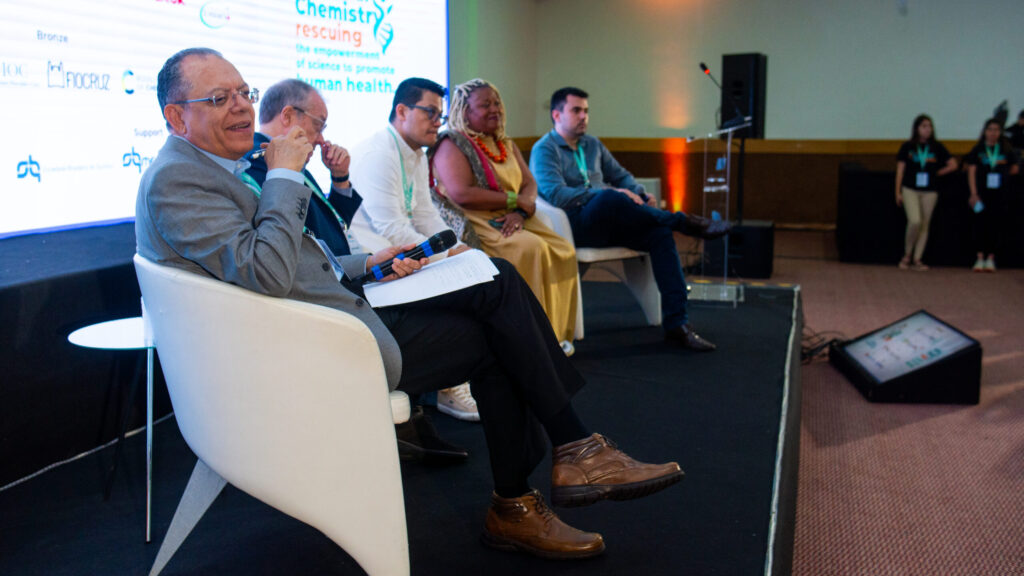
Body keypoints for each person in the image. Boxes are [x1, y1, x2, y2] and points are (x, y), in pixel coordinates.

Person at [137, 47, 683, 560]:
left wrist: (366, 262)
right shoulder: (177, 181)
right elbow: (266, 271)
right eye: (220, 98)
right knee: (499, 301)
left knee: (495, 291)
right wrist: (284, 174)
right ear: (176, 117)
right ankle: (558, 468)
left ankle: (553, 472)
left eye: (244, 93)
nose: (241, 107)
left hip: (325, 320)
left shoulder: (214, 168)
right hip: (310, 352)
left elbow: (284, 263)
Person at [243, 79, 478, 453]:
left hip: (347, 270)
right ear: (288, 116)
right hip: (326, 294)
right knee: (456, 312)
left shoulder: (288, 161)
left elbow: (329, 226)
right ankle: (413, 418)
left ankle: (415, 418)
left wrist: (340, 179)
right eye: (318, 125)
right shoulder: (263, 166)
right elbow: (299, 242)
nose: (322, 139)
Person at [530, 87, 730, 351]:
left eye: (586, 111)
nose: (583, 116)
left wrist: (639, 193)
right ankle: (684, 222)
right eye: (576, 110)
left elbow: (622, 176)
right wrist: (610, 194)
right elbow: (556, 195)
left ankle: (678, 324)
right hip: (576, 225)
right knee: (609, 197)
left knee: (659, 234)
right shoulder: (544, 149)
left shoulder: (592, 145)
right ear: (557, 115)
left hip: (611, 219)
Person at [347, 77, 480, 422]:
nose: (438, 122)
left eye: (440, 115)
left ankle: (461, 376)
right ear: (402, 111)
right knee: (456, 287)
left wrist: (458, 247)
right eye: (430, 113)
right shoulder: (379, 154)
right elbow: (391, 227)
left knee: (471, 270)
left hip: (401, 250)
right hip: (373, 259)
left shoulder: (416, 154)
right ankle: (450, 386)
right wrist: (446, 256)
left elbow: (425, 214)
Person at [429, 79, 579, 355]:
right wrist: (514, 201)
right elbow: (462, 193)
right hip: (479, 221)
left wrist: (520, 210)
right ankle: (529, 340)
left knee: (564, 250)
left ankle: (555, 333)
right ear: (465, 111)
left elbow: (529, 183)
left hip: (515, 217)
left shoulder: (504, 142)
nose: (494, 109)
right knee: (530, 248)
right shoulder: (452, 143)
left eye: (496, 103)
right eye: (485, 105)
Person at [894, 114, 957, 271]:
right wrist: (897, 191)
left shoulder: (937, 147)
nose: (927, 129)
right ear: (917, 128)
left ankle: (918, 258)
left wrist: (938, 173)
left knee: (925, 224)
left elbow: (953, 164)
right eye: (924, 126)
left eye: (929, 126)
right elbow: (900, 170)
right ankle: (907, 254)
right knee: (915, 220)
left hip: (930, 190)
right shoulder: (908, 146)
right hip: (910, 188)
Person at [964, 118, 1020, 272]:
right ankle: (979, 257)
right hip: (981, 194)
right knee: (979, 224)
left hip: (1000, 195)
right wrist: (973, 193)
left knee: (996, 225)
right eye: (990, 129)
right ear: (985, 131)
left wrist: (1003, 176)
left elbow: (1014, 168)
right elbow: (971, 171)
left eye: (996, 130)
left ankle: (991, 257)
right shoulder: (978, 149)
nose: (993, 133)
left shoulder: (1006, 149)